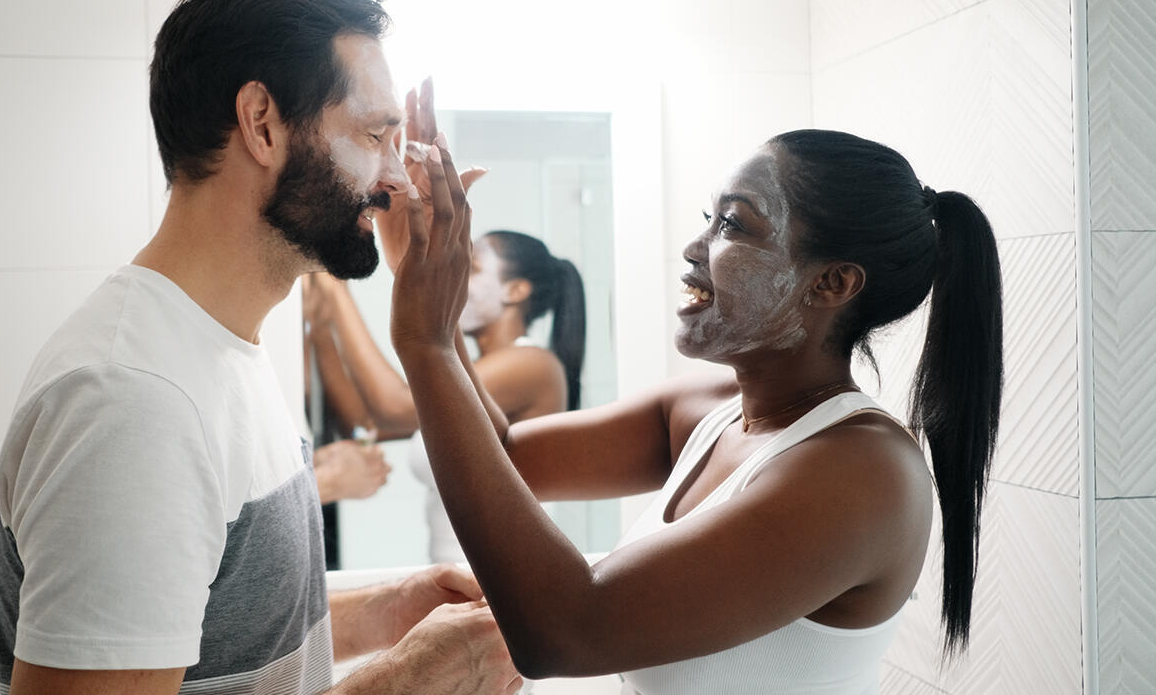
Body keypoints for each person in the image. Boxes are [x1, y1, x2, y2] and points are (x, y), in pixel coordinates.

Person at [0, 0, 522, 694]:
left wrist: (383, 612)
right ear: (262, 122)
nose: (397, 180)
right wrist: (409, 681)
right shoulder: (133, 402)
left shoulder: (220, 348)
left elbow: (193, 618)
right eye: (372, 135)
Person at [385, 128, 1002, 693]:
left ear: (831, 284)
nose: (693, 246)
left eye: (733, 225)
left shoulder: (862, 474)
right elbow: (504, 458)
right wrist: (417, 283)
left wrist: (428, 343)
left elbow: (565, 632)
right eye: (711, 218)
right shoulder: (707, 410)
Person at [304, 221, 587, 562]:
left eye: (472, 269)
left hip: (508, 582)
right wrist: (322, 331)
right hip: (461, 580)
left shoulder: (533, 364)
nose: (454, 279)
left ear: (515, 291)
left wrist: (337, 291)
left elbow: (397, 407)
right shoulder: (470, 376)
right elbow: (365, 424)